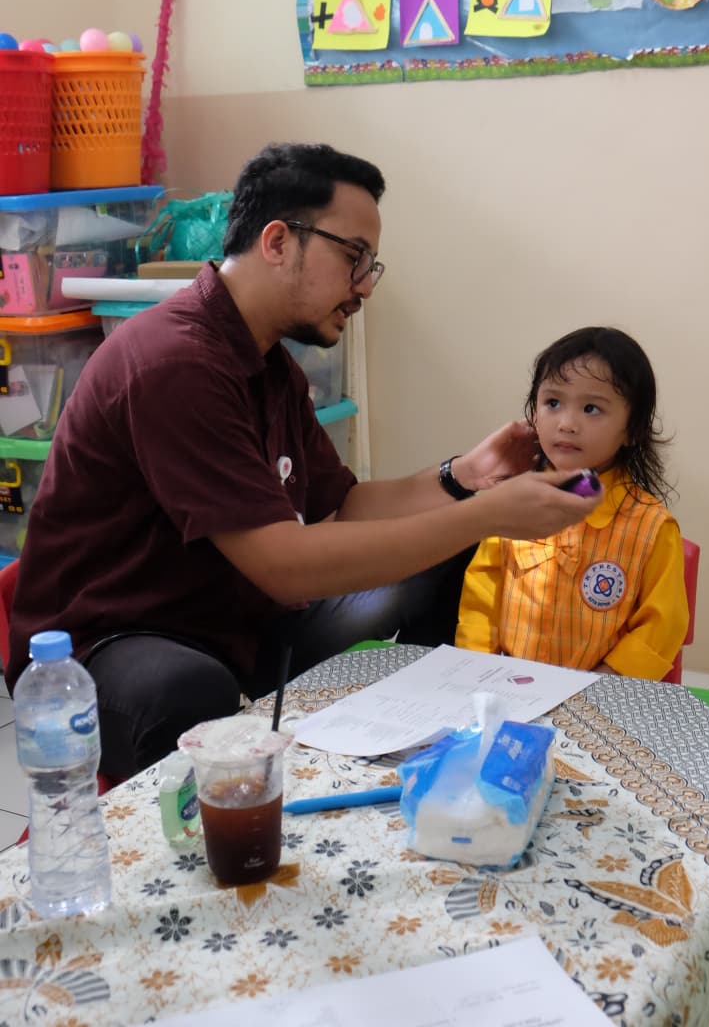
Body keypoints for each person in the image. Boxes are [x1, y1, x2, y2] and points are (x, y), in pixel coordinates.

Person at [5, 143, 601, 778]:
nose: (364, 286)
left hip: (233, 618)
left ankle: (427, 751)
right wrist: (487, 513)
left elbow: (342, 505)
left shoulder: (269, 366)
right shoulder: (173, 363)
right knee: (188, 690)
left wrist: (466, 477)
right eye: (353, 257)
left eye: (371, 266)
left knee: (444, 554)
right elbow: (284, 568)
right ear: (277, 241)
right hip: (112, 642)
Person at [455, 327, 689, 679]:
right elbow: (480, 597)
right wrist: (480, 670)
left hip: (603, 695)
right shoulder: (510, 503)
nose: (566, 424)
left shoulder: (652, 527)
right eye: (552, 403)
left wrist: (603, 683)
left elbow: (663, 625)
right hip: (507, 686)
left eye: (591, 409)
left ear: (633, 429)